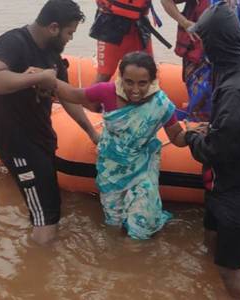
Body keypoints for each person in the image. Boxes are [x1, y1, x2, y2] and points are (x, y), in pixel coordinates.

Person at [0, 0, 98, 245]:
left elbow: (67, 96)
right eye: (69, 33)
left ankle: (41, 270)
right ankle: (38, 269)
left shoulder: (52, 53)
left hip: (41, 141)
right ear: (54, 27)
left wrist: (91, 131)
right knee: (46, 217)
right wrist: (33, 78)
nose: (71, 39)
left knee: (47, 207)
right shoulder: (13, 42)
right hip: (18, 144)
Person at [184, 3, 240, 298]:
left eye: (204, 41)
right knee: (211, 239)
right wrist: (214, 127)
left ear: (216, 41)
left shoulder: (238, 86)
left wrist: (190, 138)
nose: (201, 48)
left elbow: (216, 150)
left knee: (230, 268)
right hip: (236, 179)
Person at [51, 52, 188, 239]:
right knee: (113, 224)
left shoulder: (161, 104)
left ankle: (133, 260)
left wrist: (194, 136)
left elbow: (177, 138)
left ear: (152, 81)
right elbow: (74, 95)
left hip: (142, 168)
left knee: (141, 226)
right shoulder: (107, 91)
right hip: (111, 168)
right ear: (120, 78)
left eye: (142, 83)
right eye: (129, 82)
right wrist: (47, 78)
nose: (135, 89)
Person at [161, 0, 240, 121]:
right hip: (200, 61)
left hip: (231, 60)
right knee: (201, 110)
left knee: (227, 106)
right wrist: (185, 22)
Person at [90, 0, 171, 83]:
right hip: (110, 24)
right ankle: (92, 94)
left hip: (139, 25)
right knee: (104, 75)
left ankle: (148, 95)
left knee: (149, 71)